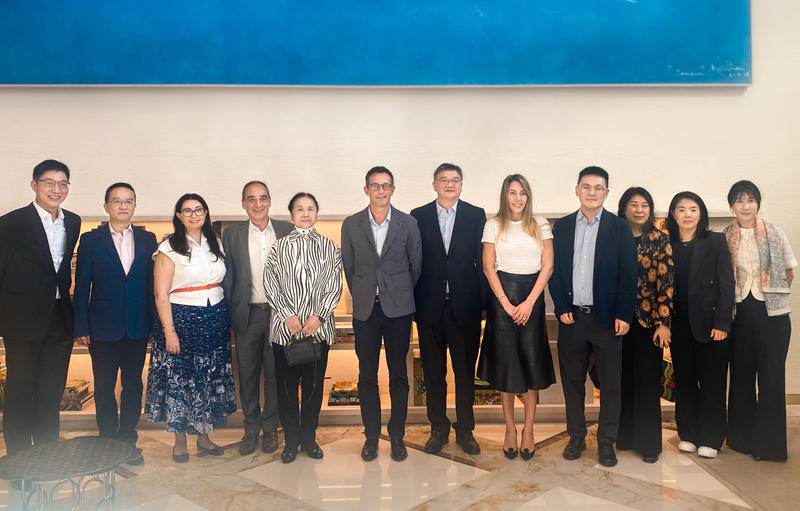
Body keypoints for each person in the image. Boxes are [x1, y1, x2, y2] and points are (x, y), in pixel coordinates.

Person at [549, 166, 636, 468]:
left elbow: (629, 274)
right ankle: (576, 437)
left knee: (610, 384)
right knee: (573, 383)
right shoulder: (561, 228)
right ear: (577, 190)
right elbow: (553, 271)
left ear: (606, 193)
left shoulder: (619, 227)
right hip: (572, 318)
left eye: (598, 188)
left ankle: (606, 442)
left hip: (607, 319)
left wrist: (624, 314)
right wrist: (561, 306)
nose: (592, 192)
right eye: (586, 187)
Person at [145, 193, 237, 462]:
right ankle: (180, 441)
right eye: (187, 211)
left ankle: (204, 437)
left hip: (214, 317)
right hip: (182, 319)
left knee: (207, 380)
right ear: (179, 216)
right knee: (181, 380)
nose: (194, 215)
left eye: (199, 210)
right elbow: (161, 294)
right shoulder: (168, 247)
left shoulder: (215, 243)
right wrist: (169, 331)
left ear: (206, 213)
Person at [341, 166, 422, 462]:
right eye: (375, 186)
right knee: (366, 376)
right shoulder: (351, 224)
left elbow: (415, 267)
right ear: (366, 190)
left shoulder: (408, 223)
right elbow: (349, 267)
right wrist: (365, 293)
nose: (380, 191)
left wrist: (397, 293)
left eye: (386, 185)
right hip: (365, 310)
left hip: (398, 310)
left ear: (393, 190)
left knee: (399, 374)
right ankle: (371, 436)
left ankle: (397, 436)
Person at [0, 159, 81, 456]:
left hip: (60, 319)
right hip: (21, 321)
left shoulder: (73, 221)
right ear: (34, 185)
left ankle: (47, 454)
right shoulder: (11, 223)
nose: (56, 189)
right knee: (20, 390)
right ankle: (19, 456)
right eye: (49, 183)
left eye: (62, 184)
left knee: (51, 391)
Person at [73, 183, 157, 465]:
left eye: (128, 201)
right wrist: (81, 326)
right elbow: (81, 286)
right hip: (102, 329)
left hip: (137, 327)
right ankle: (108, 440)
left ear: (135, 206)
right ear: (106, 206)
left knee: (133, 386)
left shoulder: (148, 240)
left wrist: (155, 326)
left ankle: (128, 441)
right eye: (117, 201)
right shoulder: (90, 240)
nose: (123, 206)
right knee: (104, 387)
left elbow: (152, 286)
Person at [411, 163, 487, 456]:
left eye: (455, 180)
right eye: (444, 180)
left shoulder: (475, 215)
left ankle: (465, 430)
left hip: (465, 308)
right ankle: (438, 429)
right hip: (429, 308)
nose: (450, 184)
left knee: (465, 374)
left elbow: (483, 262)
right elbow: (413, 263)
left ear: (461, 184)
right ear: (434, 185)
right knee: (433, 373)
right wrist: (412, 304)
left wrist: (484, 304)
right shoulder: (418, 216)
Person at [479, 174, 555, 460]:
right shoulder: (493, 225)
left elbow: (547, 266)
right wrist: (506, 304)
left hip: (532, 299)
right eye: (513, 192)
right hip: (502, 300)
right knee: (506, 366)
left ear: (528, 196)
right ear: (505, 195)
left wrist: (529, 303)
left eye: (523, 193)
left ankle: (529, 430)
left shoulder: (540, 224)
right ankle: (510, 429)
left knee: (531, 366)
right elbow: (489, 267)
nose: (518, 198)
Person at [264, 192, 343, 463]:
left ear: (317, 212)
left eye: (310, 208)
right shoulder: (279, 247)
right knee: (286, 390)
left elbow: (335, 285)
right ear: (291, 215)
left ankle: (309, 438)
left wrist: (318, 316)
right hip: (285, 332)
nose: (305, 214)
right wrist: (287, 315)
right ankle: (291, 441)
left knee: (312, 389)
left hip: (317, 332)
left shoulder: (330, 246)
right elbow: (270, 283)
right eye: (299, 209)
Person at [723, 180, 796, 461]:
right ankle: (741, 440)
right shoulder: (725, 236)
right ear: (732, 205)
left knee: (771, 379)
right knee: (741, 378)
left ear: (757, 203)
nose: (745, 206)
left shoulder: (775, 233)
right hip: (739, 314)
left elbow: (788, 271)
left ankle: (769, 445)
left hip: (772, 316)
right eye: (739, 200)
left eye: (750, 200)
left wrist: (773, 295)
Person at [221, 181, 293, 456]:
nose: (258, 204)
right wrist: (229, 315)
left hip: (279, 315)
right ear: (243, 204)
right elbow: (228, 277)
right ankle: (251, 429)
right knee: (248, 374)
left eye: (263, 198)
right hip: (247, 314)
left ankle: (271, 428)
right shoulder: (232, 234)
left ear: (270, 201)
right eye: (251, 199)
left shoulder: (287, 230)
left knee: (275, 375)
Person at [666, 191, 735, 459]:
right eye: (681, 209)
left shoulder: (715, 241)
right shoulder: (667, 244)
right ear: (673, 214)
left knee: (712, 383)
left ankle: (711, 438)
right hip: (678, 325)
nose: (687, 214)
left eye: (693, 209)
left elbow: (727, 284)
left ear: (701, 214)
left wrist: (723, 323)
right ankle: (688, 434)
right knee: (684, 381)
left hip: (711, 325)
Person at [616, 187, 674, 463]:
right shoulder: (614, 236)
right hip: (616, 320)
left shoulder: (660, 239)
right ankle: (625, 437)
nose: (639, 209)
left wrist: (664, 323)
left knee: (647, 381)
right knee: (622, 380)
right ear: (624, 207)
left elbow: (666, 282)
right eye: (634, 204)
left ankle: (649, 444)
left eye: (645, 205)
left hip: (648, 321)